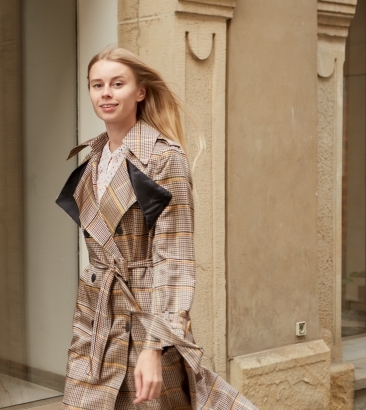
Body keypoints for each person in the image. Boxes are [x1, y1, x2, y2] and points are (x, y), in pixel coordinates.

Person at [56, 47, 257, 409]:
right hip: (97, 314)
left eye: (117, 84)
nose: (106, 93)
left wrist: (154, 345)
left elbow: (174, 259)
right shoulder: (93, 158)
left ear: (140, 91)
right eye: (97, 85)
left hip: (147, 315)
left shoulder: (165, 157)